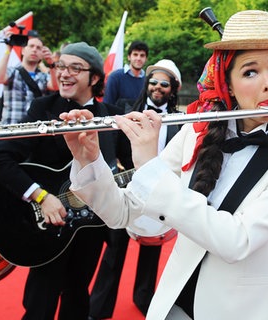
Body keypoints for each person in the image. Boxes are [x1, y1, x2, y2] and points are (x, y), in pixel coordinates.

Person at [61, 10, 268, 320]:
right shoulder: (196, 132)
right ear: (227, 84)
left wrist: (151, 167)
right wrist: (88, 158)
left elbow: (237, 241)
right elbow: (122, 213)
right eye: (250, 72)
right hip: (173, 307)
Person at [0, 42, 128, 320]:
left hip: (90, 230)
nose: (64, 73)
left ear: (95, 77)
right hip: (45, 228)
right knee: (40, 303)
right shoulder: (43, 109)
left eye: (75, 68)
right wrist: (41, 196)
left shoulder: (111, 118)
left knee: (77, 300)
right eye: (60, 66)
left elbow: (133, 169)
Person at [89, 59, 181, 319]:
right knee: (114, 250)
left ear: (172, 89)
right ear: (147, 84)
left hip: (159, 192)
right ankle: (99, 307)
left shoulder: (181, 121)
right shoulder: (126, 111)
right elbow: (111, 147)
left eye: (164, 84)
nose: (157, 87)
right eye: (153, 82)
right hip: (127, 190)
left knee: (151, 252)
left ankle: (144, 300)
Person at [0, 30, 56, 125]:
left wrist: (51, 63)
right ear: (23, 50)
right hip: (10, 129)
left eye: (39, 48)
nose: (34, 49)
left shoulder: (43, 76)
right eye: (31, 46)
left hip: (33, 131)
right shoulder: (12, 72)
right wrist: (8, 49)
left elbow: (55, 86)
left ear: (42, 55)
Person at [103, 40, 149, 107]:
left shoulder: (147, 81)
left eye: (142, 55)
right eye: (135, 54)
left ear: (146, 59)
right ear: (129, 57)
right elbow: (107, 105)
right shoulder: (115, 77)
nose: (138, 58)